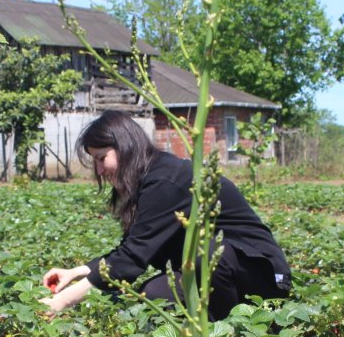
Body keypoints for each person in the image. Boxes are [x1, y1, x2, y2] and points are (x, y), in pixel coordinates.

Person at [41, 110, 291, 321]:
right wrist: (75, 272)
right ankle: (209, 331)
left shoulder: (165, 180)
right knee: (154, 295)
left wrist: (61, 302)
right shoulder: (146, 180)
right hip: (220, 270)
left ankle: (229, 335)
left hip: (262, 275)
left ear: (125, 148)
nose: (99, 170)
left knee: (205, 253)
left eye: (101, 158)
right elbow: (133, 247)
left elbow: (132, 259)